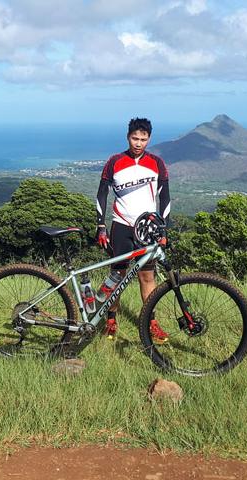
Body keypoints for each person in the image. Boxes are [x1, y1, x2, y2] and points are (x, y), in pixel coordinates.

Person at [95, 117, 170, 341]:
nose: (138, 143)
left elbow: (165, 198)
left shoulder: (157, 163)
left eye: (143, 139)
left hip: (147, 229)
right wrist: (101, 226)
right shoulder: (114, 161)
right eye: (134, 138)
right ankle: (110, 319)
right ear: (128, 137)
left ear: (149, 139)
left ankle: (150, 322)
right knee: (117, 275)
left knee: (147, 277)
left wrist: (164, 230)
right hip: (121, 226)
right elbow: (102, 193)